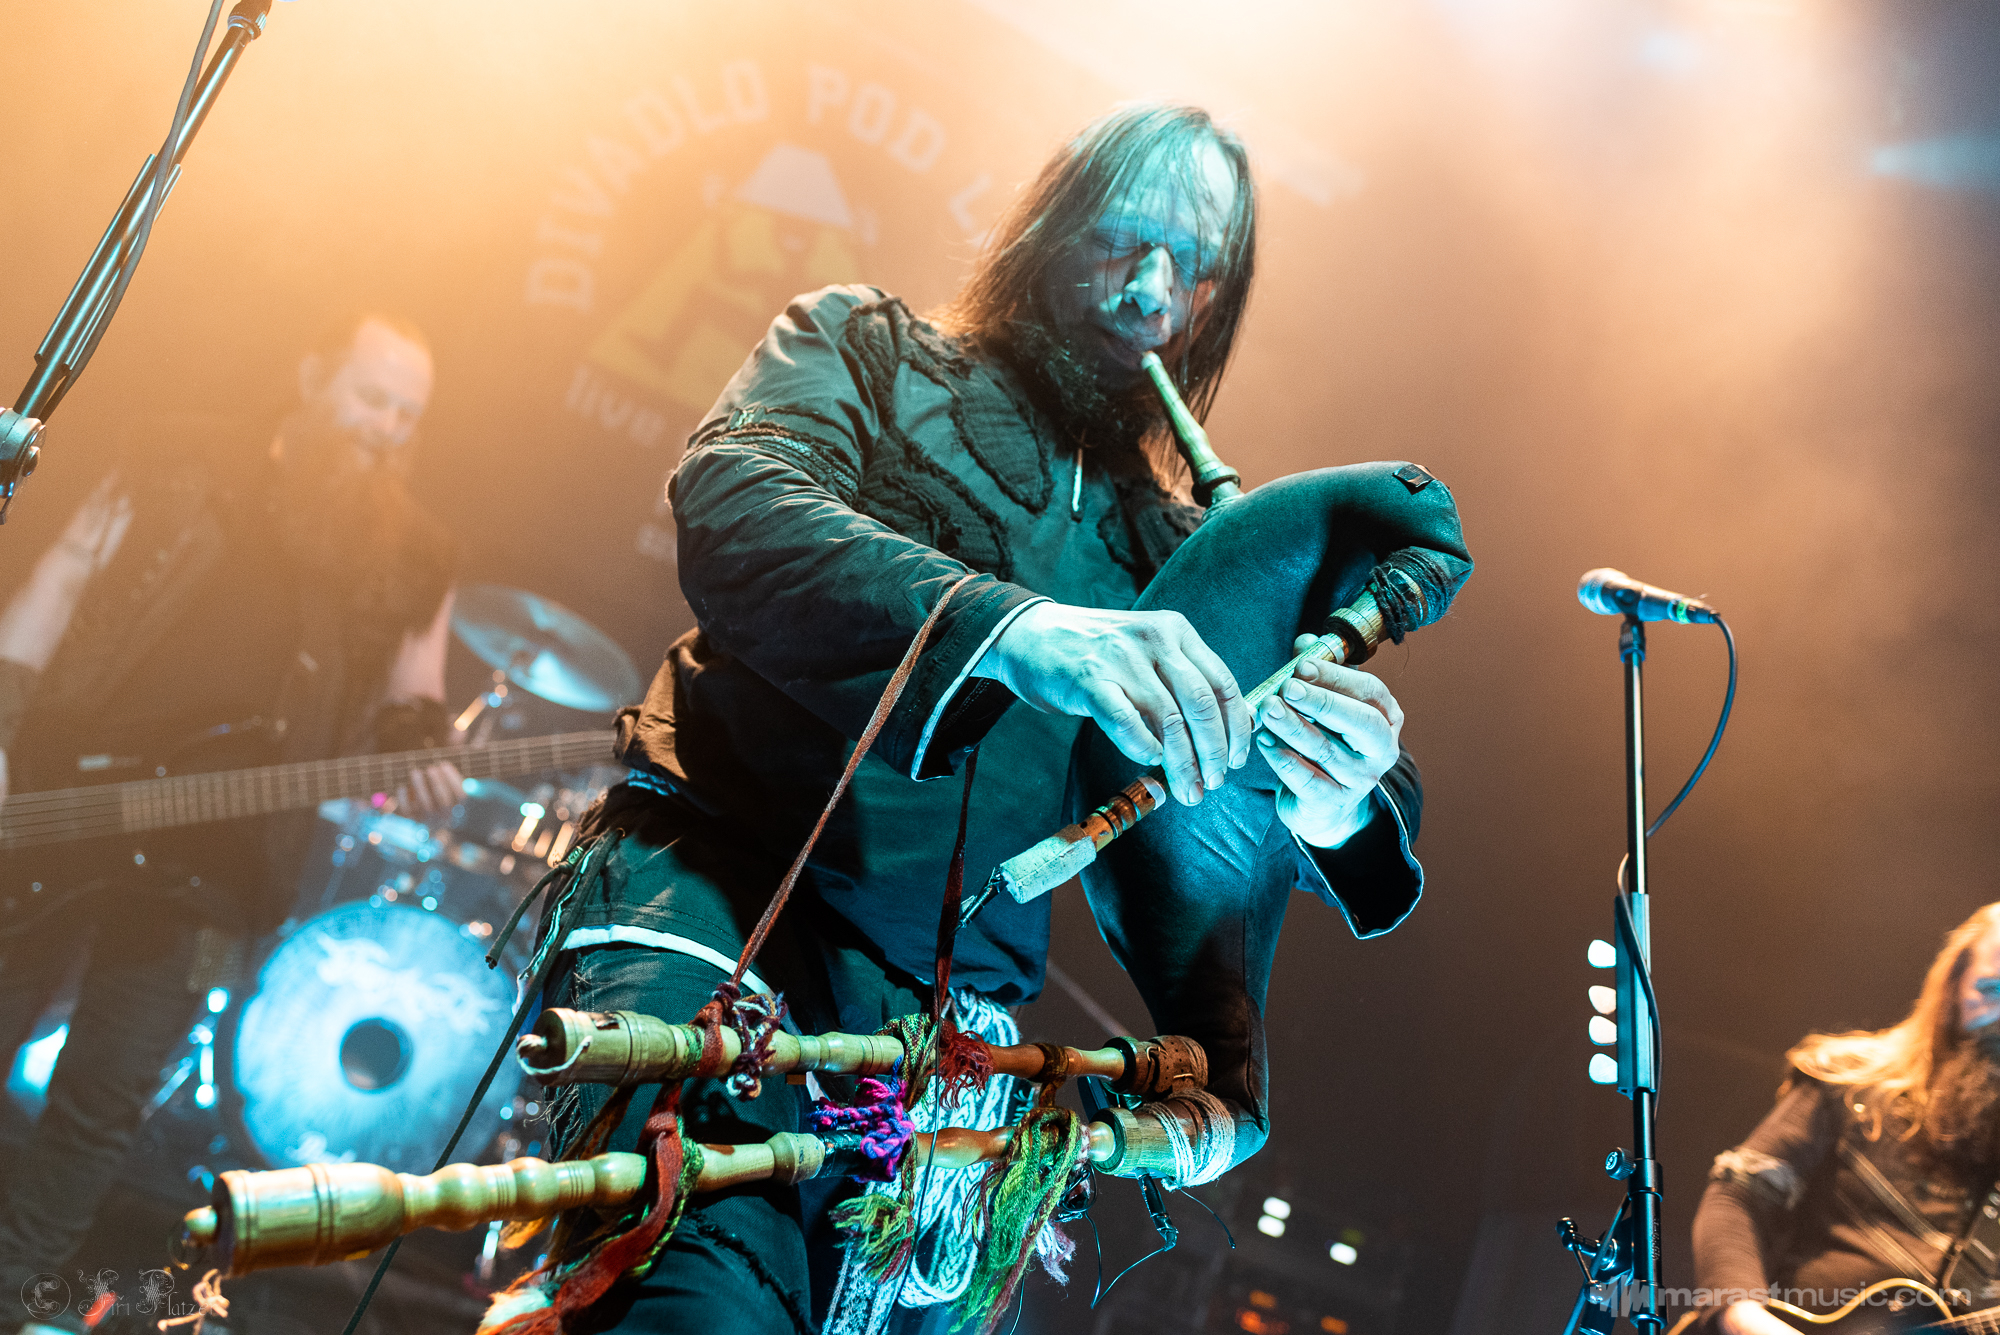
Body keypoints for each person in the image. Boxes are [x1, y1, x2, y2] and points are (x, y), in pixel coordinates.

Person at [533, 104, 1433, 1334]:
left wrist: (1335, 797)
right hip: (715, 911)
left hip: (955, 1044)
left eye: (1192, 266)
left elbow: (1280, 820)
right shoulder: (862, 345)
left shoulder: (1176, 554)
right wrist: (1018, 631)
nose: (1149, 290)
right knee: (694, 1300)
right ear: (1050, 226)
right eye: (1121, 237)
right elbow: (736, 504)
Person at [0, 312, 462, 1334]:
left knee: (100, 1103)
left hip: (222, 863)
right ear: (313, 375)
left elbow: (414, 696)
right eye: (370, 397)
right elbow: (64, 572)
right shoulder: (181, 457)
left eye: (407, 414)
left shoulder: (416, 553)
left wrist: (423, 751)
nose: (385, 427)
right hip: (68, 797)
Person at [1690, 902, 2000, 1333]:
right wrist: (1741, 1317)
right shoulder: (1850, 1079)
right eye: (1992, 989)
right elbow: (1738, 1196)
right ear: (1952, 988)